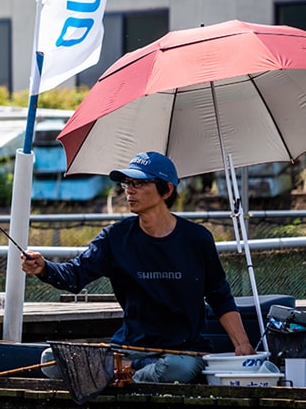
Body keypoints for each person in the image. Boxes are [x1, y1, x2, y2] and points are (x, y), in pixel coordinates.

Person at [21, 151, 255, 383]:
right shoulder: (114, 237)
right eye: (127, 183)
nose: (129, 190)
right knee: (50, 359)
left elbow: (219, 295)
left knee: (178, 370)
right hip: (127, 349)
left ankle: (122, 373)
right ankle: (132, 371)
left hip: (181, 355)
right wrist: (44, 268)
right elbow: (73, 276)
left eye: (139, 183)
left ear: (167, 190)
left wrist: (242, 344)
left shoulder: (198, 239)